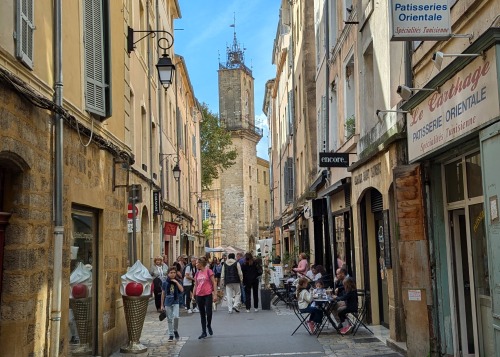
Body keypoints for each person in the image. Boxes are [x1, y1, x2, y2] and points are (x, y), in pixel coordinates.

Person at [193, 256, 218, 339]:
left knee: (209, 312)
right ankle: (204, 331)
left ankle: (209, 325)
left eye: (197, 263)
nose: (196, 264)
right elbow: (196, 285)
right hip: (199, 294)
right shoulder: (197, 273)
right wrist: (193, 295)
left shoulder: (208, 271)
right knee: (202, 314)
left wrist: (215, 294)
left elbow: (214, 283)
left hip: (207, 294)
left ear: (201, 264)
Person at [161, 267, 184, 342]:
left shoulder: (178, 281)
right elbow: (163, 293)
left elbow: (182, 290)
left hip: (175, 301)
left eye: (174, 272)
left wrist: (176, 282)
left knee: (176, 316)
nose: (173, 274)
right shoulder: (165, 282)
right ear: (168, 273)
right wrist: (162, 305)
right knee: (169, 319)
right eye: (171, 272)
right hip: (168, 302)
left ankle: (175, 330)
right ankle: (171, 334)